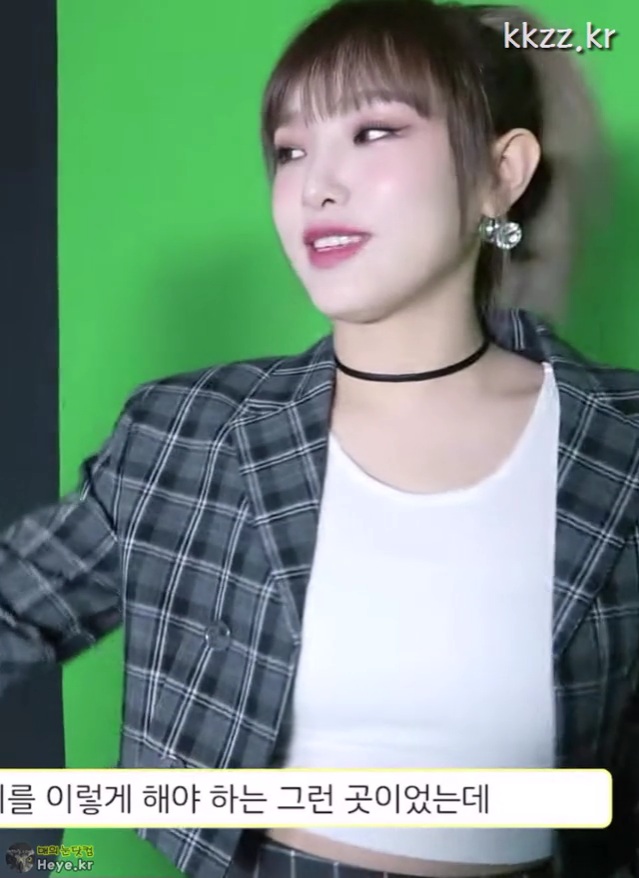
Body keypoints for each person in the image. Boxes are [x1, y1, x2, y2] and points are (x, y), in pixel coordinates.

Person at [0, 0, 636, 876]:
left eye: (373, 132)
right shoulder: (185, 434)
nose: (315, 186)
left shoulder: (619, 444)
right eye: (291, 150)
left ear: (501, 173)